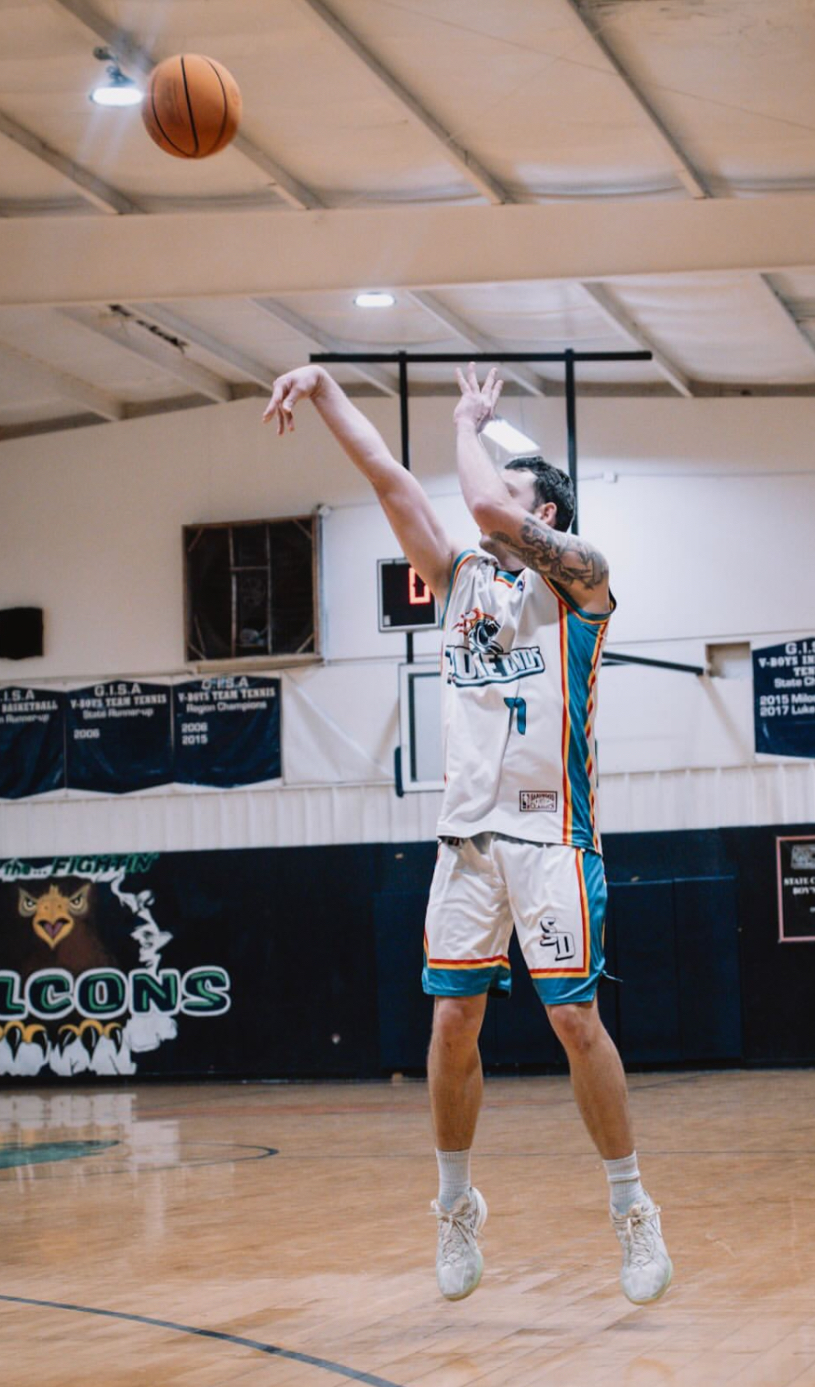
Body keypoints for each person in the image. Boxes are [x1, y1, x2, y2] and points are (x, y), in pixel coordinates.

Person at [263, 362, 672, 1307]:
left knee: (573, 1021)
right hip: (468, 841)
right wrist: (323, 387)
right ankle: (455, 1204)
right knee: (451, 1021)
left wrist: (466, 422)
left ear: (545, 517)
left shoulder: (582, 580)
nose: (487, 504)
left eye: (511, 492)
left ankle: (631, 1206)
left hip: (553, 836)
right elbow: (387, 478)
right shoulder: (459, 582)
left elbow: (484, 504)